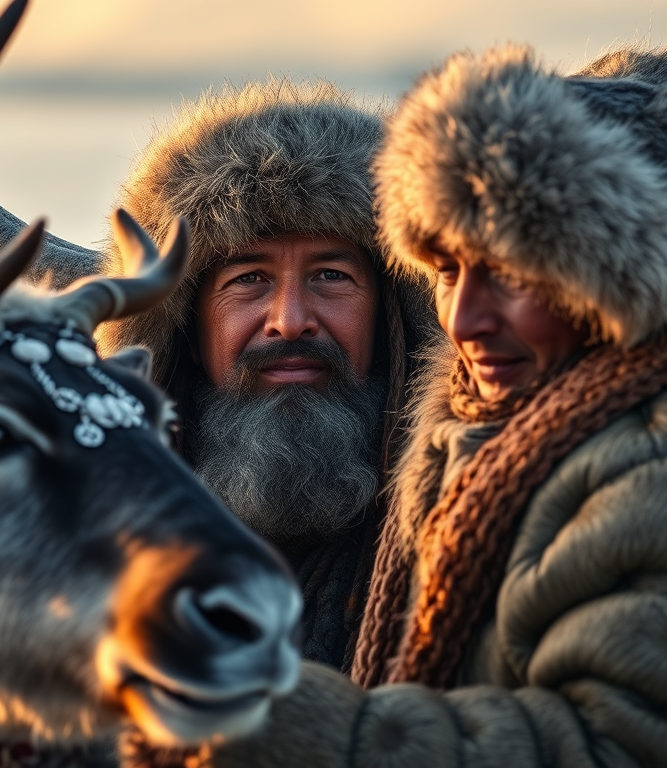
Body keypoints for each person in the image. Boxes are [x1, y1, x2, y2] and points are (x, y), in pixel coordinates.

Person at [163, 39, 667, 768]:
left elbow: (636, 746)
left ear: (619, 271)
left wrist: (244, 713)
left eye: (511, 272)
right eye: (446, 269)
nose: (462, 322)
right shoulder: (525, 420)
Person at [102, 78, 432, 671]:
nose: (291, 321)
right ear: (186, 329)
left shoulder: (468, 528)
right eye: (247, 278)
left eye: (331, 275)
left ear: (390, 319)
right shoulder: (84, 545)